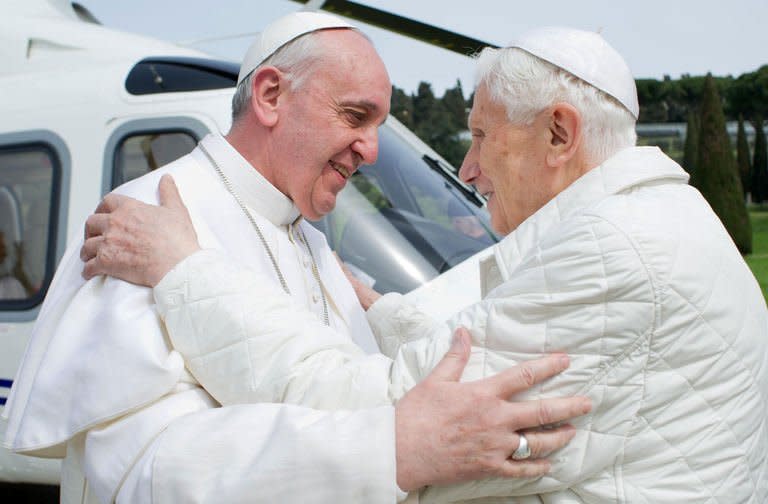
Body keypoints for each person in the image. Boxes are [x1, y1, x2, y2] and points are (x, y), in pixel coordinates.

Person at [78, 26, 768, 502]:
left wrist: (183, 271)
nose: (467, 167)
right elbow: (476, 346)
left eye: (480, 137)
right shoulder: (661, 219)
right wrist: (379, 311)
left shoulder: (614, 255)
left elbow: (390, 415)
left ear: (559, 133)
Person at [3, 12, 590, 504]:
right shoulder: (144, 221)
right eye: (355, 116)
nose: (371, 148)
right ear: (271, 95)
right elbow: (136, 475)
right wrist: (390, 450)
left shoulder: (307, 234)